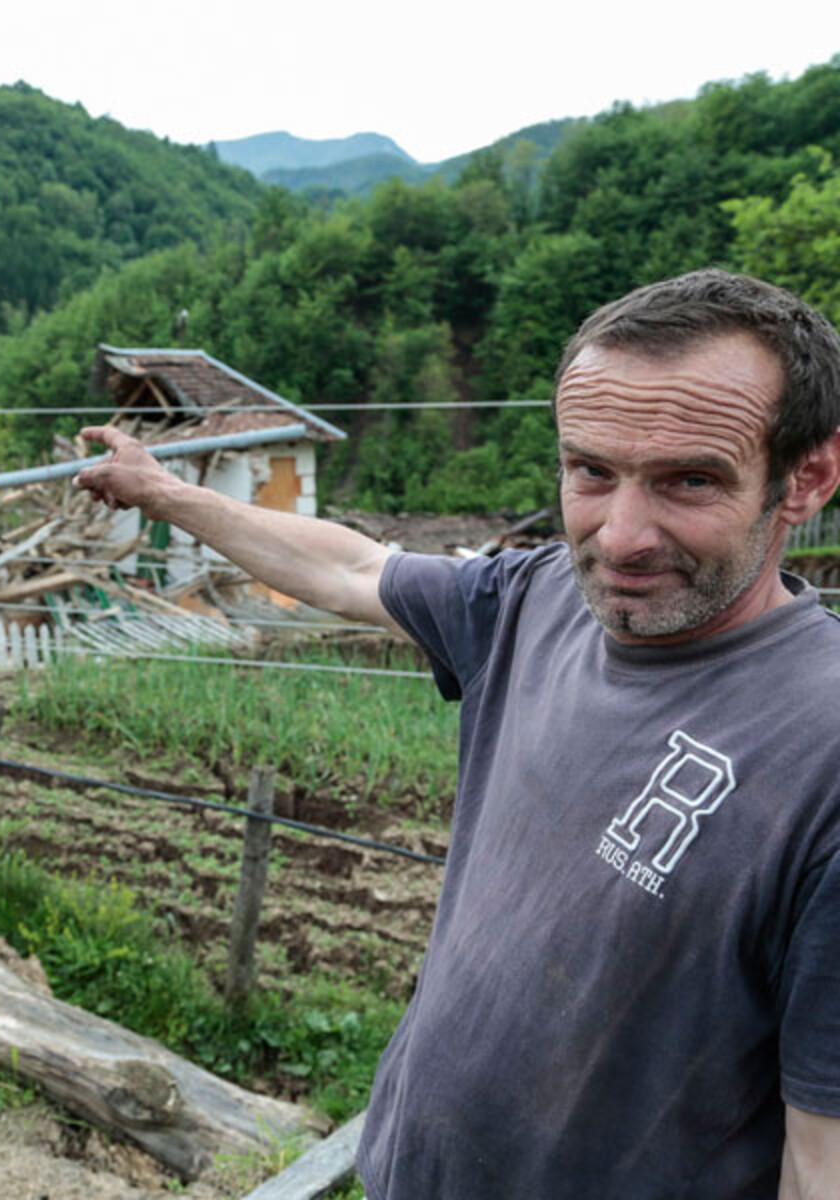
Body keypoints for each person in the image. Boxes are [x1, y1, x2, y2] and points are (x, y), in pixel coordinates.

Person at [73, 268, 840, 1199]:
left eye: (689, 480)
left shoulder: (820, 754)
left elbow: (820, 1166)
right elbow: (356, 568)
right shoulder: (531, 601)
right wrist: (162, 492)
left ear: (807, 478)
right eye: (592, 471)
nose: (621, 535)